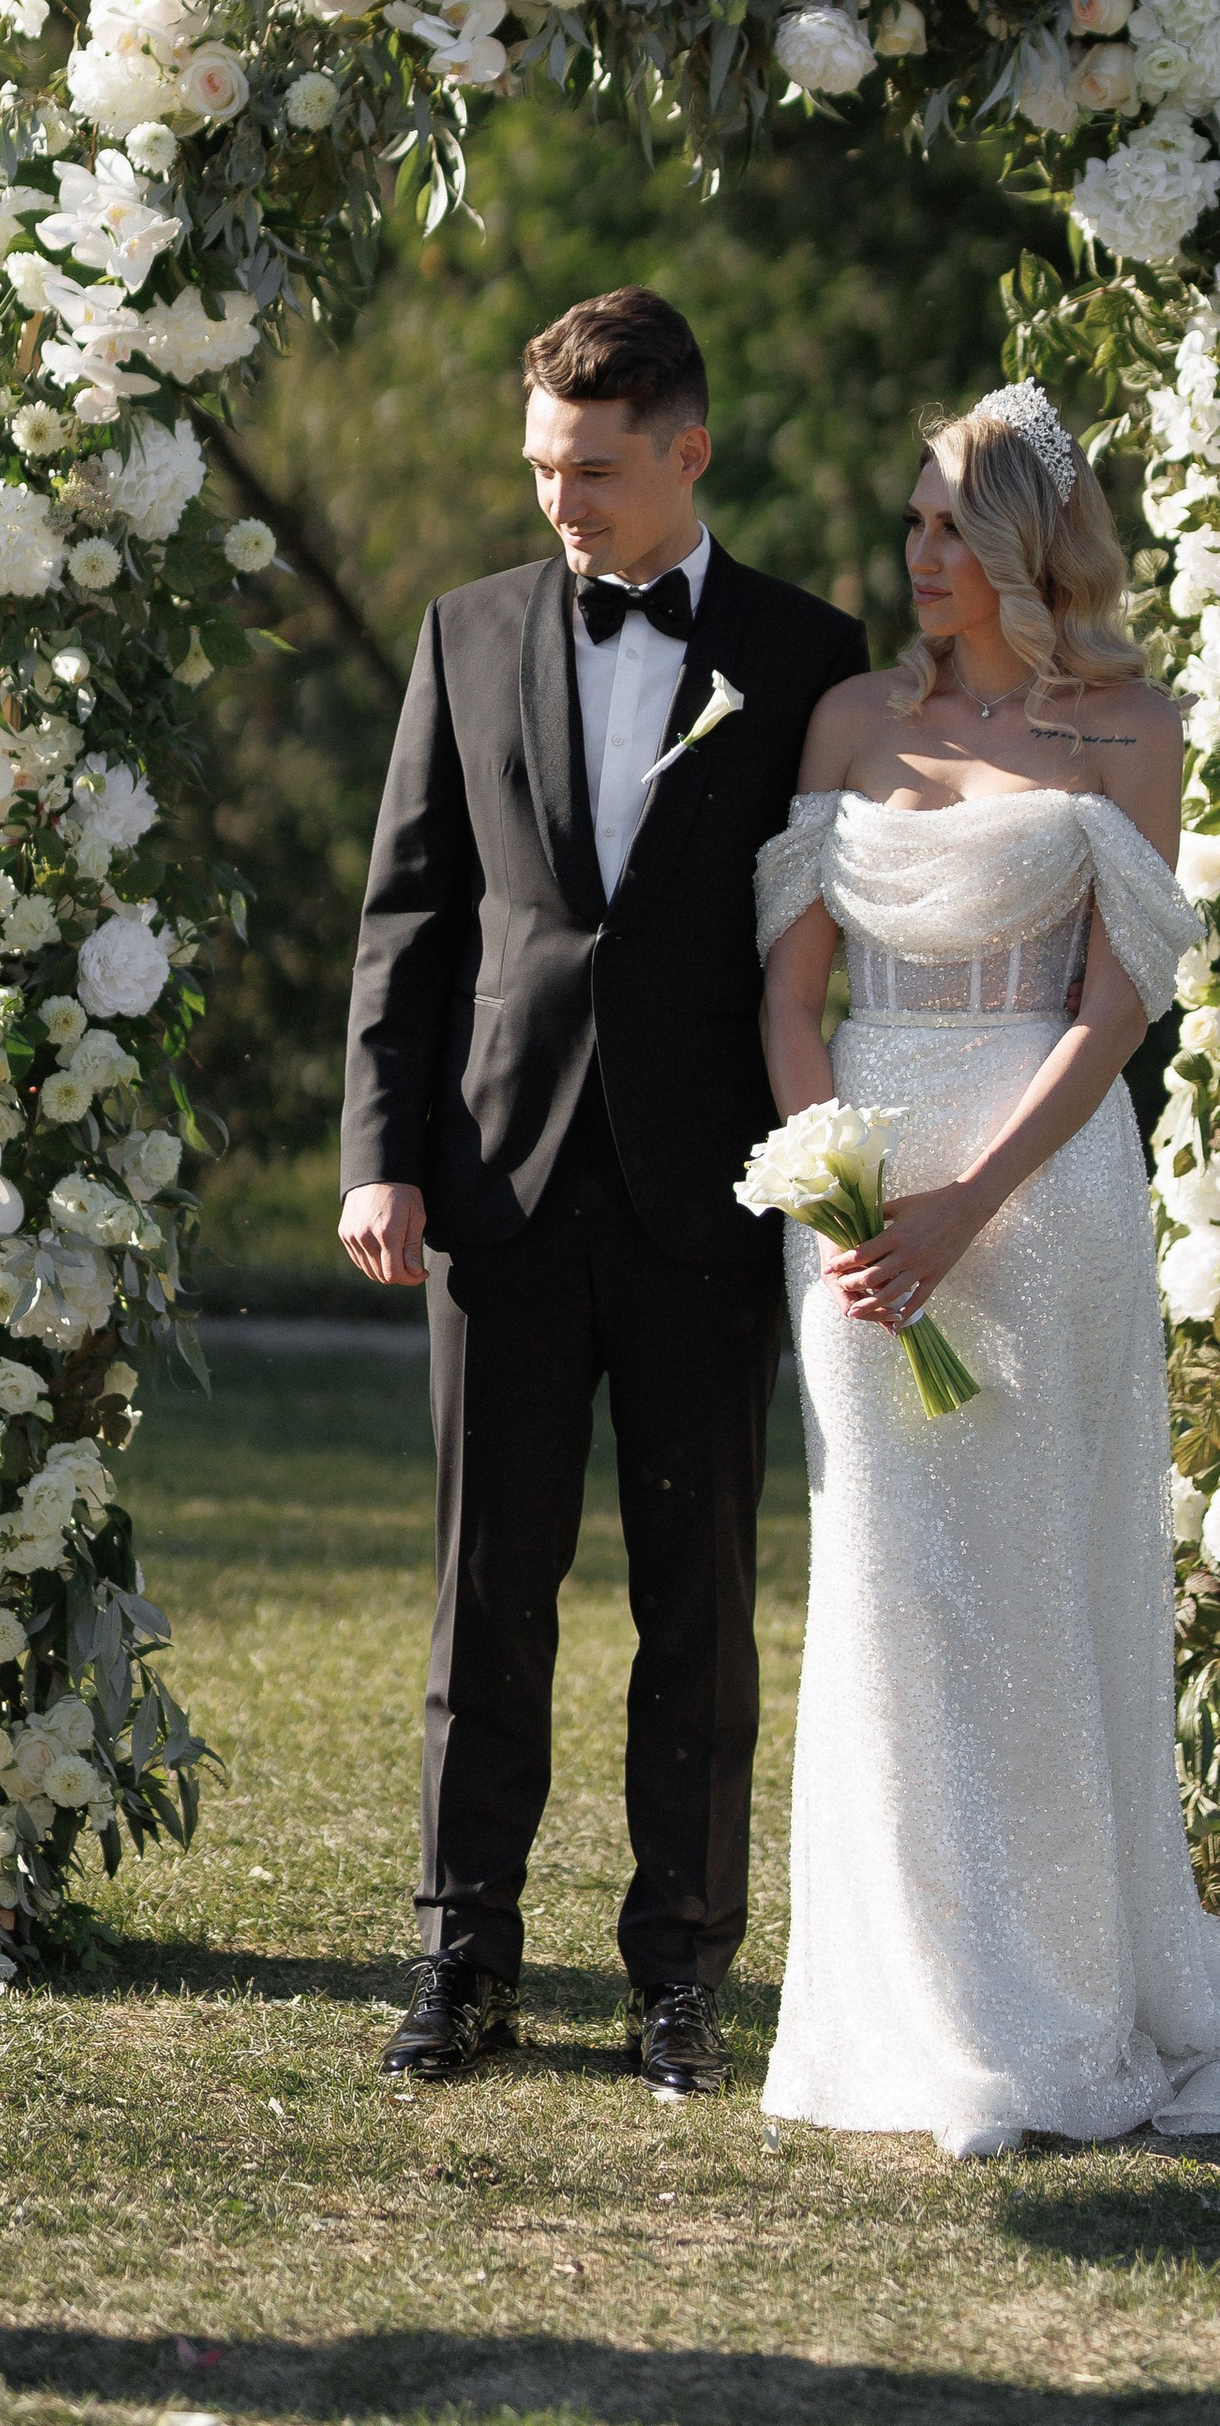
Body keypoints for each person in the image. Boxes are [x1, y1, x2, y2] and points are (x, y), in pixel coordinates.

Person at [754, 383, 1220, 2156]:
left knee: (1039, 1581)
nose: (920, 558)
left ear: (1030, 551)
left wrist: (959, 1206)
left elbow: (1113, 1012)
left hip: (1038, 1194)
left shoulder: (1131, 732)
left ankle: (1054, 1997)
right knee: (892, 1583)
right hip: (857, 1192)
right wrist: (842, 1189)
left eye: (951, 530)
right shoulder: (848, 717)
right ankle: (909, 2006)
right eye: (911, 522)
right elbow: (789, 988)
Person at [338, 286, 867, 2100]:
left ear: (687, 452)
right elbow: (410, 917)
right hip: (492, 1183)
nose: (564, 502)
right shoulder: (467, 630)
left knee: (697, 1599)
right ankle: (462, 1959)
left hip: (708, 1195)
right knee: (489, 1590)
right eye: (546, 467)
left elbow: (837, 927)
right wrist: (379, 1154)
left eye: (597, 471)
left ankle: (680, 1975)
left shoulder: (811, 656)